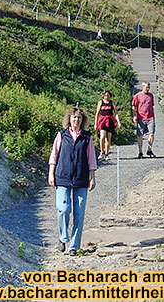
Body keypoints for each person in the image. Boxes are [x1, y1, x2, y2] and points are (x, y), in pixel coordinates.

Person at [48, 106, 96, 256]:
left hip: (81, 178)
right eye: (74, 117)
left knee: (79, 213)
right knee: (63, 209)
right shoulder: (62, 135)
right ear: (69, 119)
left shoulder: (87, 137)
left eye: (79, 117)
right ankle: (63, 238)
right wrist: (51, 174)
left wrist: (92, 178)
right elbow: (54, 155)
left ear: (83, 120)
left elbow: (91, 159)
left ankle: (74, 246)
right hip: (62, 176)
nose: (76, 120)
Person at [94, 90, 121, 161]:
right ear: (103, 96)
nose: (107, 97)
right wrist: (95, 123)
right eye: (106, 95)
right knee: (102, 137)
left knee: (108, 139)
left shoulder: (112, 103)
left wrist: (118, 122)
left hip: (110, 121)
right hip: (102, 121)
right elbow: (97, 113)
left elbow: (116, 113)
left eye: (108, 95)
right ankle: (101, 152)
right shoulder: (100, 102)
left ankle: (106, 154)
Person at [132, 82, 156, 158]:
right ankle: (140, 151)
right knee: (140, 135)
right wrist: (134, 116)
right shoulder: (137, 96)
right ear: (143, 87)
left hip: (150, 117)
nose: (148, 89)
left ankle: (149, 149)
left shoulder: (151, 96)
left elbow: (151, 105)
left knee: (151, 133)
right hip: (141, 118)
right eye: (146, 87)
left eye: (149, 87)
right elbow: (134, 106)